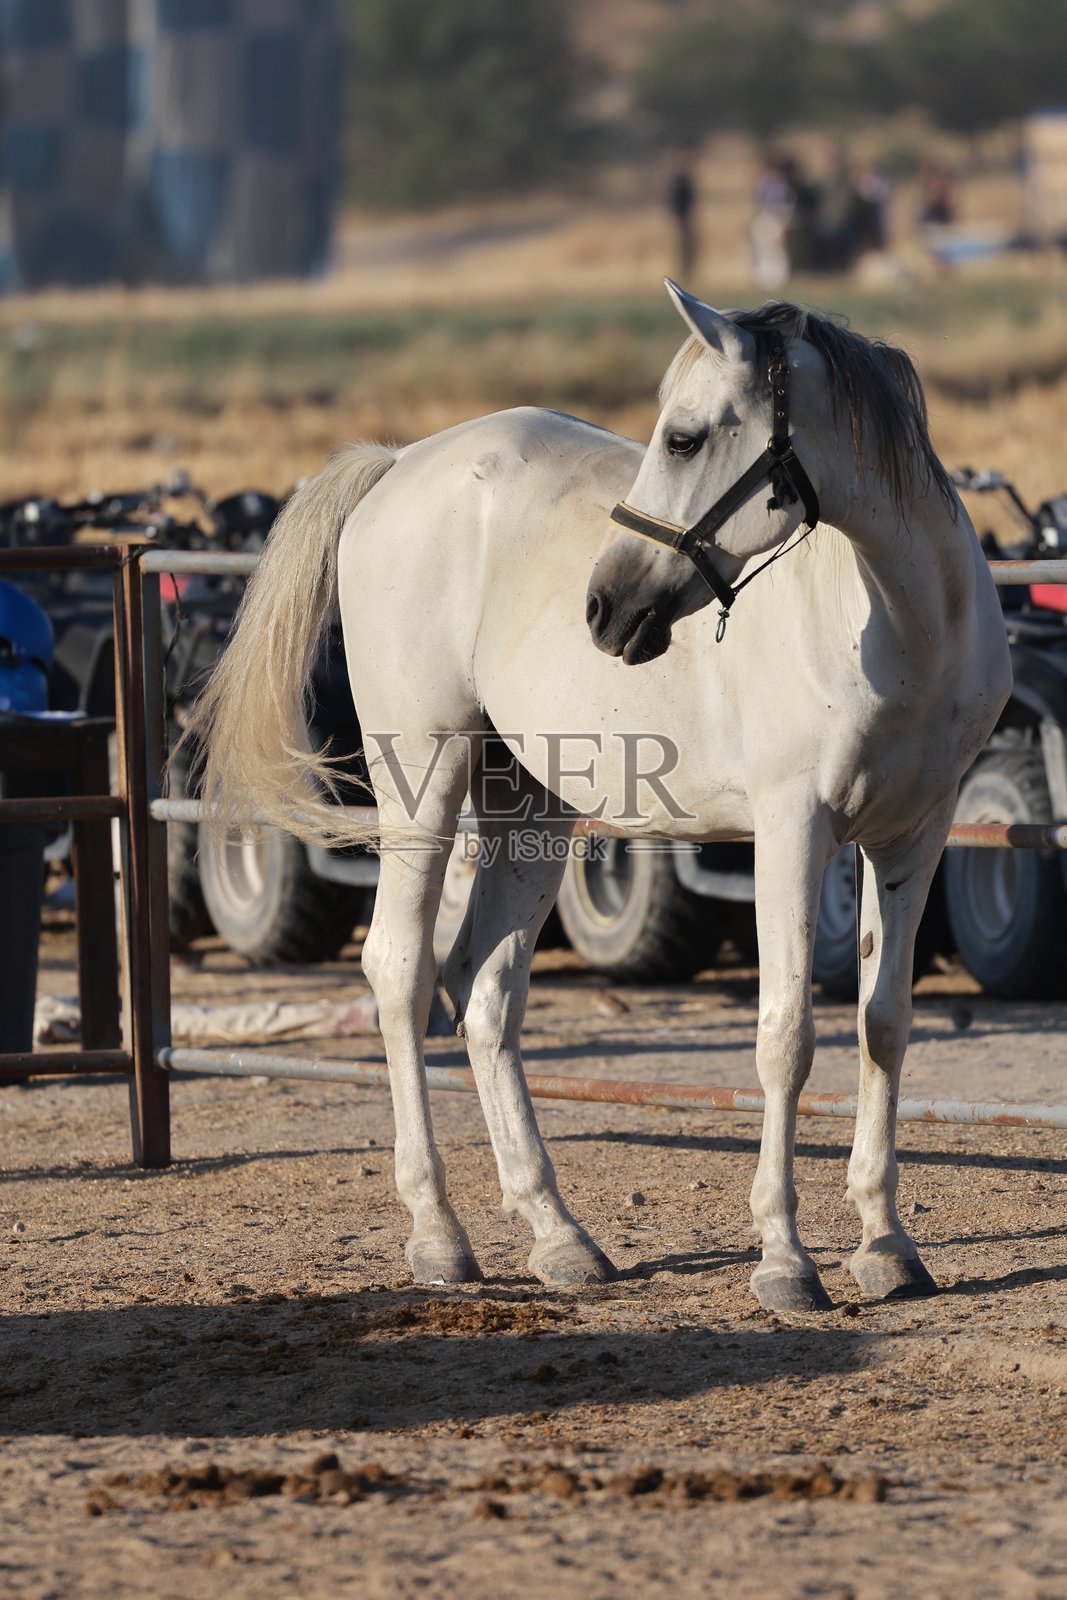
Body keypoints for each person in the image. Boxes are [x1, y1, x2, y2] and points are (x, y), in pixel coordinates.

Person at [666, 145, 700, 280]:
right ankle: (684, 276)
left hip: (686, 218)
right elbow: (677, 200)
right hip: (683, 218)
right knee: (684, 249)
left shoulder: (683, 177)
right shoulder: (681, 177)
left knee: (689, 249)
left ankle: (688, 276)